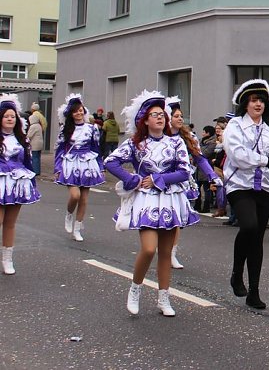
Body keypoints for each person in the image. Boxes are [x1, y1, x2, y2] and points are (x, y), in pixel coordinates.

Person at [104, 90, 198, 316]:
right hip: (146, 200)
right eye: (154, 114)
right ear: (145, 120)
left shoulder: (176, 143)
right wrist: (132, 179)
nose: (160, 118)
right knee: (148, 249)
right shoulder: (137, 144)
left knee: (166, 252)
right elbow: (111, 162)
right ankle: (135, 288)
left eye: (162, 114)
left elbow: (185, 171)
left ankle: (164, 298)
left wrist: (159, 178)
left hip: (170, 198)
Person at [222, 79, 269, 309]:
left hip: (263, 186)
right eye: (254, 100)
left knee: (257, 239)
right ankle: (236, 274)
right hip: (238, 184)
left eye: (262, 101)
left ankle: (254, 291)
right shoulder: (235, 126)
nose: (258, 104)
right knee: (248, 226)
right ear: (245, 104)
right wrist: (266, 160)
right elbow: (237, 155)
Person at [168, 98, 219, 269]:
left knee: (176, 221)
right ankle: (160, 249)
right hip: (161, 182)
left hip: (180, 182)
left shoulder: (187, 137)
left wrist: (212, 175)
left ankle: (172, 254)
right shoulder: (159, 136)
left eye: (181, 116)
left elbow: (200, 158)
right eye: (176, 116)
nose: (180, 119)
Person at [54, 93, 105, 242]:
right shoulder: (65, 129)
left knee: (83, 199)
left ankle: (78, 228)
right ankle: (69, 214)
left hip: (88, 163)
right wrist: (57, 169)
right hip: (70, 163)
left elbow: (96, 149)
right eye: (75, 111)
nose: (78, 113)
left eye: (80, 109)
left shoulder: (92, 128)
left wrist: (101, 166)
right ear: (71, 113)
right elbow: (59, 150)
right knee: (75, 195)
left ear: (84, 110)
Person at [0, 94, 40, 275]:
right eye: (6, 116)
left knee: (10, 223)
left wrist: (32, 183)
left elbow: (28, 163)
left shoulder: (22, 139)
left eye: (12, 116)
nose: (10, 119)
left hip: (17, 184)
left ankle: (7, 258)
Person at [26, 112, 44, 176]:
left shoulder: (33, 126)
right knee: (38, 157)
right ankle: (38, 170)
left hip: (34, 144)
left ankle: (35, 171)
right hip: (40, 144)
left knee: (34, 157)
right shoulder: (39, 125)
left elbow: (29, 136)